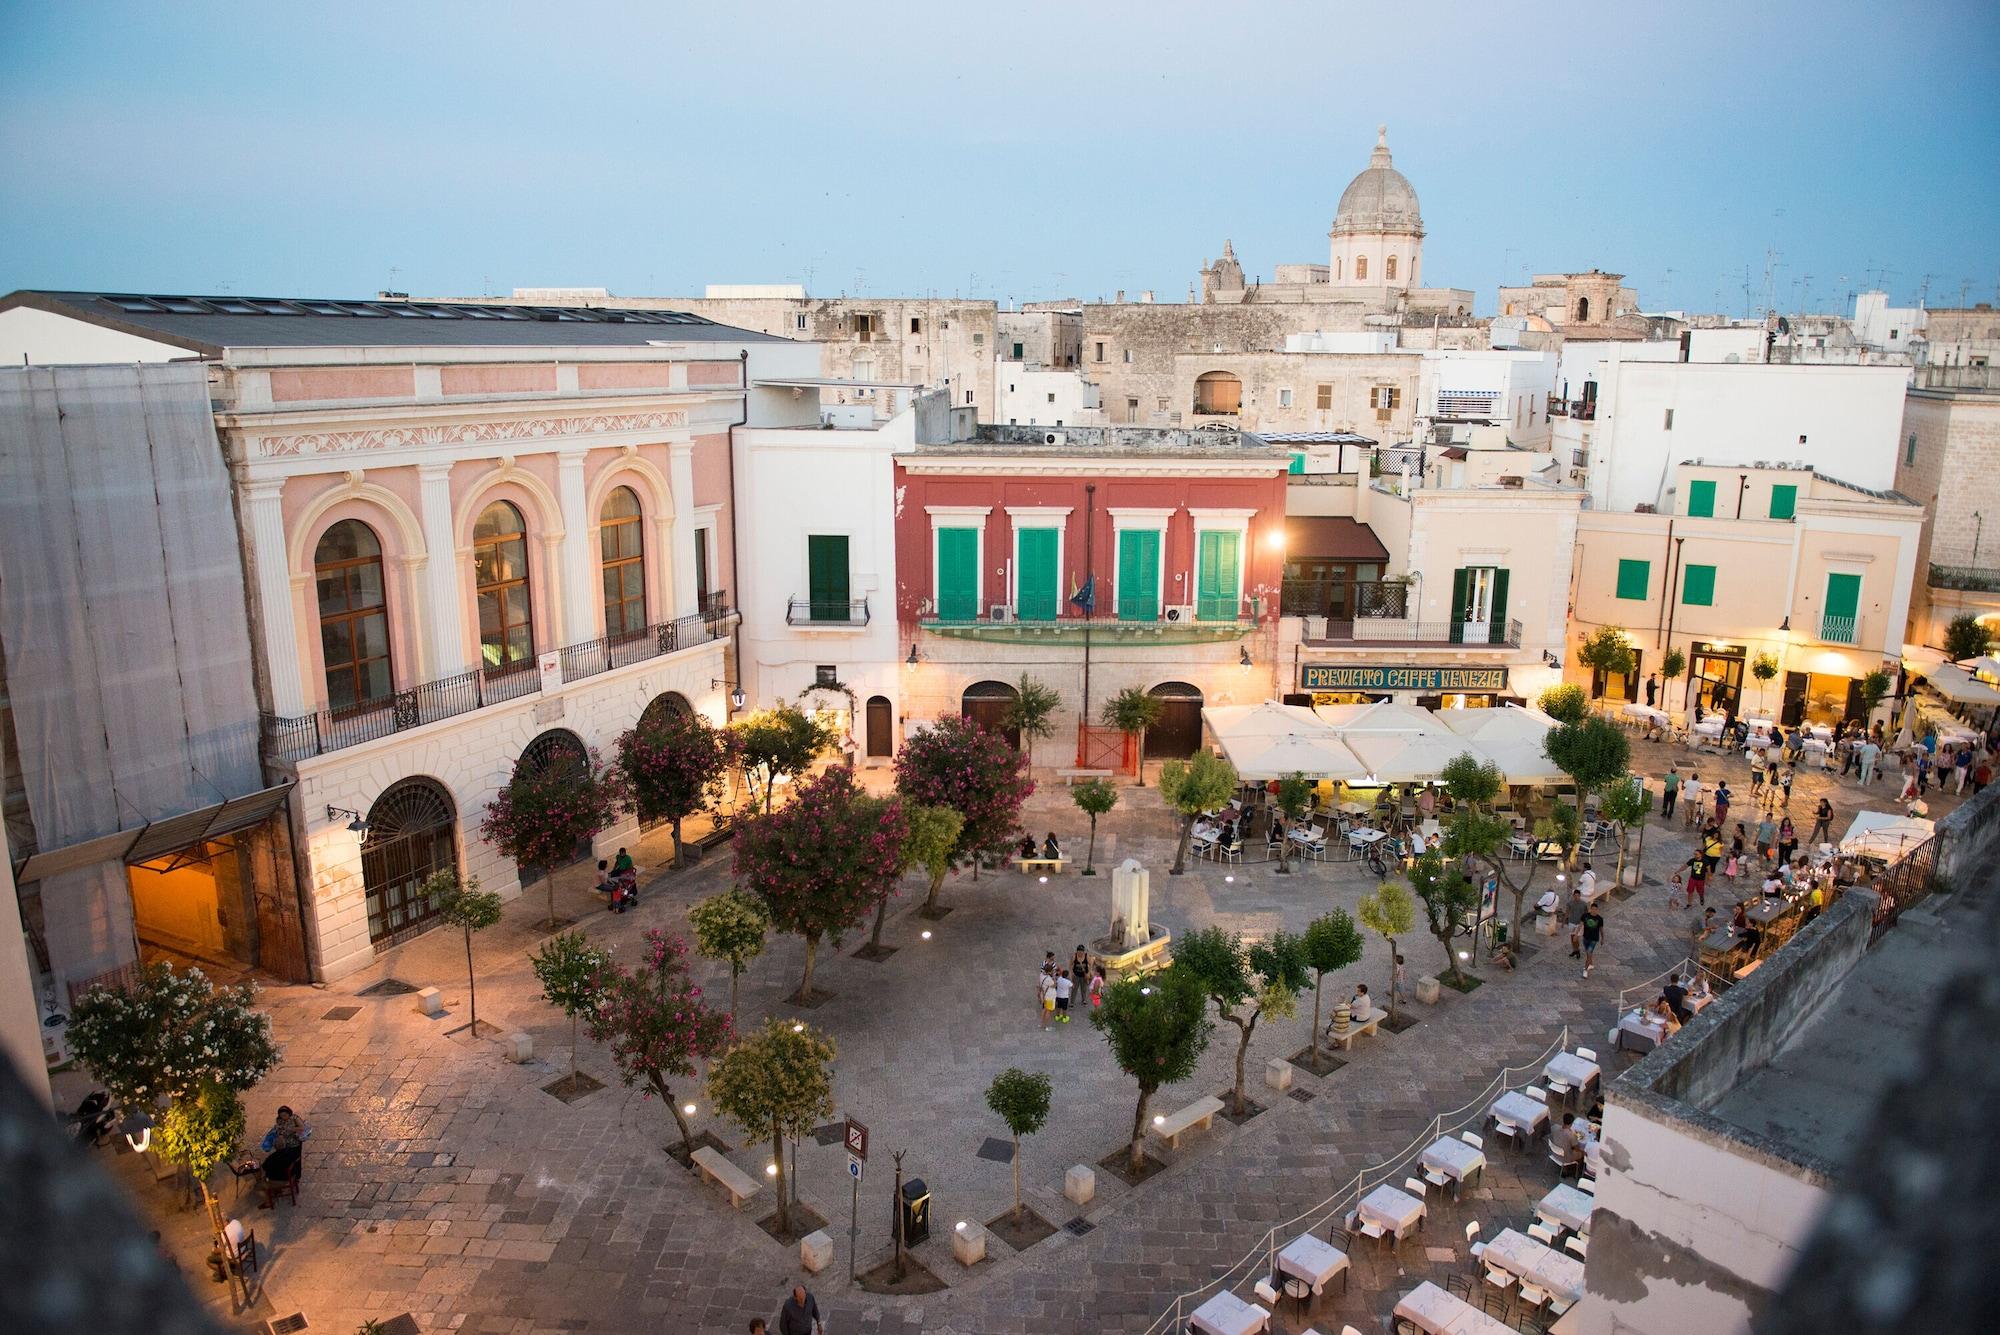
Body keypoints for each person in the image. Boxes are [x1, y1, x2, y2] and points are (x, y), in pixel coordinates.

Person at [257, 1106, 306, 1208]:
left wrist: (291, 1129)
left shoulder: (294, 1118)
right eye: (281, 1115)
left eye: (285, 1115)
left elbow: (302, 1128)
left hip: (292, 1147)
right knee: (279, 1161)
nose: (283, 1117)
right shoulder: (279, 1122)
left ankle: (272, 1192)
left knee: (273, 1165)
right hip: (285, 1148)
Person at [1580, 904, 1605, 978]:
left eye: (1595, 909)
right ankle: (1591, 964)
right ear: (1590, 909)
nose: (1594, 910)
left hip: (1594, 939)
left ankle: (1585, 970)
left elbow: (1601, 930)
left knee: (1589, 953)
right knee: (1588, 953)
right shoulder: (1585, 916)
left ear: (1597, 910)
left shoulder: (1600, 919)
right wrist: (1576, 934)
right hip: (1585, 938)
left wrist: (1603, 938)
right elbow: (1580, 925)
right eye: (1592, 909)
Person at [1565, 888, 1587, 959]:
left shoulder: (1584, 904)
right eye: (1575, 896)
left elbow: (1586, 914)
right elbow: (1567, 912)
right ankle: (1574, 950)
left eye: (1578, 895)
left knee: (1576, 938)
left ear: (1580, 896)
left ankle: (1577, 950)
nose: (1576, 897)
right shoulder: (1570, 903)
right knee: (1572, 937)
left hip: (1579, 923)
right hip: (1571, 922)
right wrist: (1564, 921)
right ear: (1573, 896)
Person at [1036, 966, 1055, 1031]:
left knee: (1044, 1009)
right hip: (1050, 996)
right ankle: (1046, 1027)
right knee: (1048, 1011)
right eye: (1052, 970)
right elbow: (1054, 985)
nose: (1053, 971)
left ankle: (1041, 1024)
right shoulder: (1048, 979)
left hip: (1044, 995)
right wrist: (1054, 978)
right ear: (1049, 971)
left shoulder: (1041, 975)